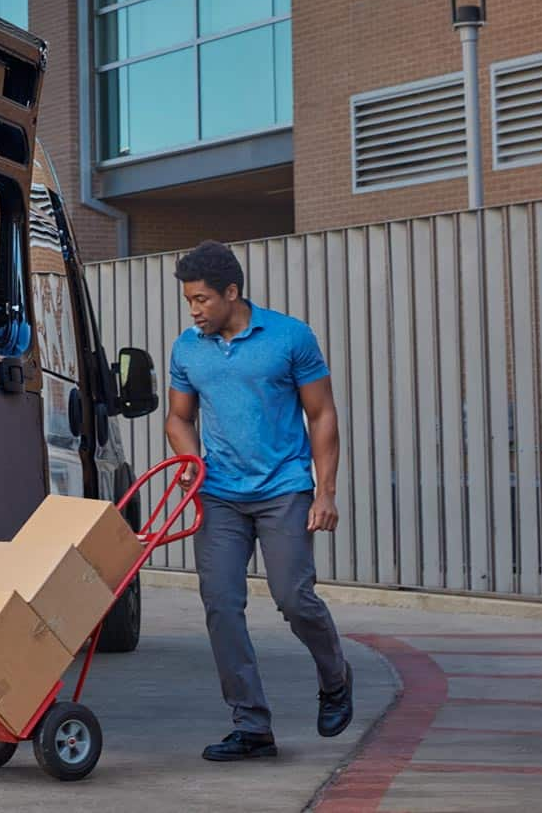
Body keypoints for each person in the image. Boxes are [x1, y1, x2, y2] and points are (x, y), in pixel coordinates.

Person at [163, 240, 353, 762]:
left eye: (201, 299)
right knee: (222, 606)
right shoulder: (188, 348)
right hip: (219, 494)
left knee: (294, 598)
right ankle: (251, 726)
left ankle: (335, 677)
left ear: (232, 292)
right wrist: (191, 462)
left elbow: (322, 414)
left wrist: (325, 490)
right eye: (188, 302)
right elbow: (180, 417)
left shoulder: (289, 337)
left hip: (283, 489)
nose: (195, 310)